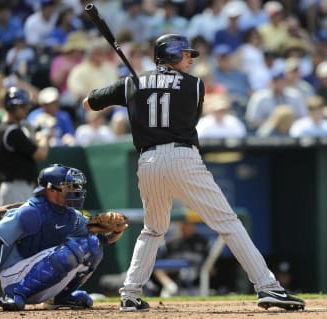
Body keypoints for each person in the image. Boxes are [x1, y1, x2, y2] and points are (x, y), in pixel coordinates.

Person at [83, 33, 305, 312]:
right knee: (228, 222)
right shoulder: (195, 85)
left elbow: (89, 103)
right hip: (181, 156)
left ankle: (130, 292)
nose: (189, 59)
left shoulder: (132, 82)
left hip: (148, 161)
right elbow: (184, 112)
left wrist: (130, 90)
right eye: (185, 54)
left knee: (153, 230)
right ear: (172, 55)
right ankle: (267, 287)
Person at [0, 164, 102, 311]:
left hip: (41, 276)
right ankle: (15, 295)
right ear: (51, 189)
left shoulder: (70, 215)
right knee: (68, 252)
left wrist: (114, 231)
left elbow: (98, 235)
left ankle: (60, 297)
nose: (75, 190)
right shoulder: (30, 212)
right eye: (69, 186)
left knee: (93, 245)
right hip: (13, 277)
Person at [0, 87, 49, 205]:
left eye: (26, 105)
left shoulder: (10, 129)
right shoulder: (12, 131)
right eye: (21, 106)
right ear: (10, 107)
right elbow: (41, 154)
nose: (25, 109)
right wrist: (44, 136)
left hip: (16, 187)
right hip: (16, 188)